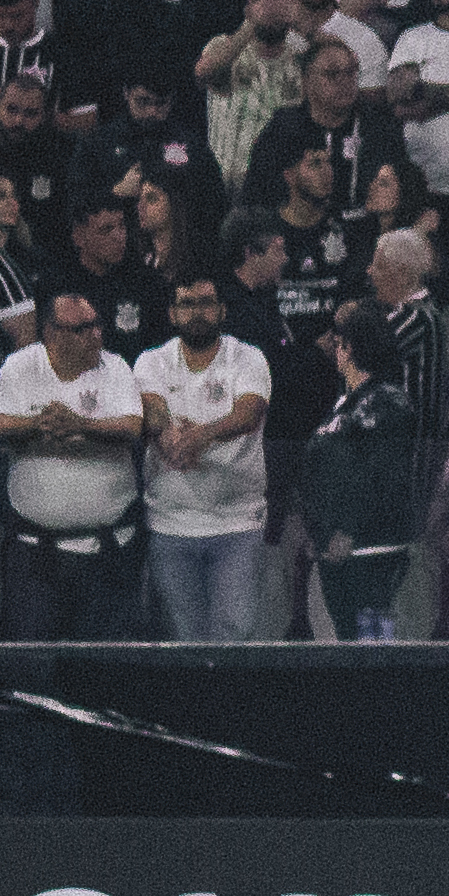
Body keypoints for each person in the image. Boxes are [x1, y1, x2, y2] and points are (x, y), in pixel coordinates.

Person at [0, 290, 152, 639]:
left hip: (107, 552)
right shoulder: (21, 366)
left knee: (102, 664)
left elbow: (130, 427)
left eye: (96, 325)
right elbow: (0, 427)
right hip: (36, 553)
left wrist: (79, 424)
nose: (94, 335)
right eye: (80, 329)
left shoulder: (116, 367)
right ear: (50, 333)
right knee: (32, 658)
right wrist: (39, 424)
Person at [135, 270, 276, 641]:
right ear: (172, 314)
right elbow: (151, 407)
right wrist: (170, 437)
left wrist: (202, 435)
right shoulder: (152, 361)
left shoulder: (247, 358)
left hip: (237, 522)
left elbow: (249, 412)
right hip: (171, 523)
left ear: (222, 310)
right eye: (187, 304)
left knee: (233, 638)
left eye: (206, 303)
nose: (197, 312)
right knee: (182, 641)